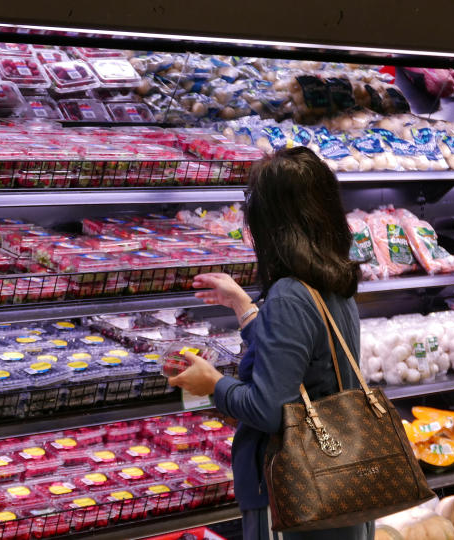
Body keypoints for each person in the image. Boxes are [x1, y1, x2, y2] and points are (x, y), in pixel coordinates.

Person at [166, 147, 373, 540]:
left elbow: (269, 410)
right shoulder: (333, 281)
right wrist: (245, 307)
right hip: (341, 479)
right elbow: (302, 362)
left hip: (293, 493)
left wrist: (213, 385)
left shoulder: (289, 295)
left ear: (269, 222)